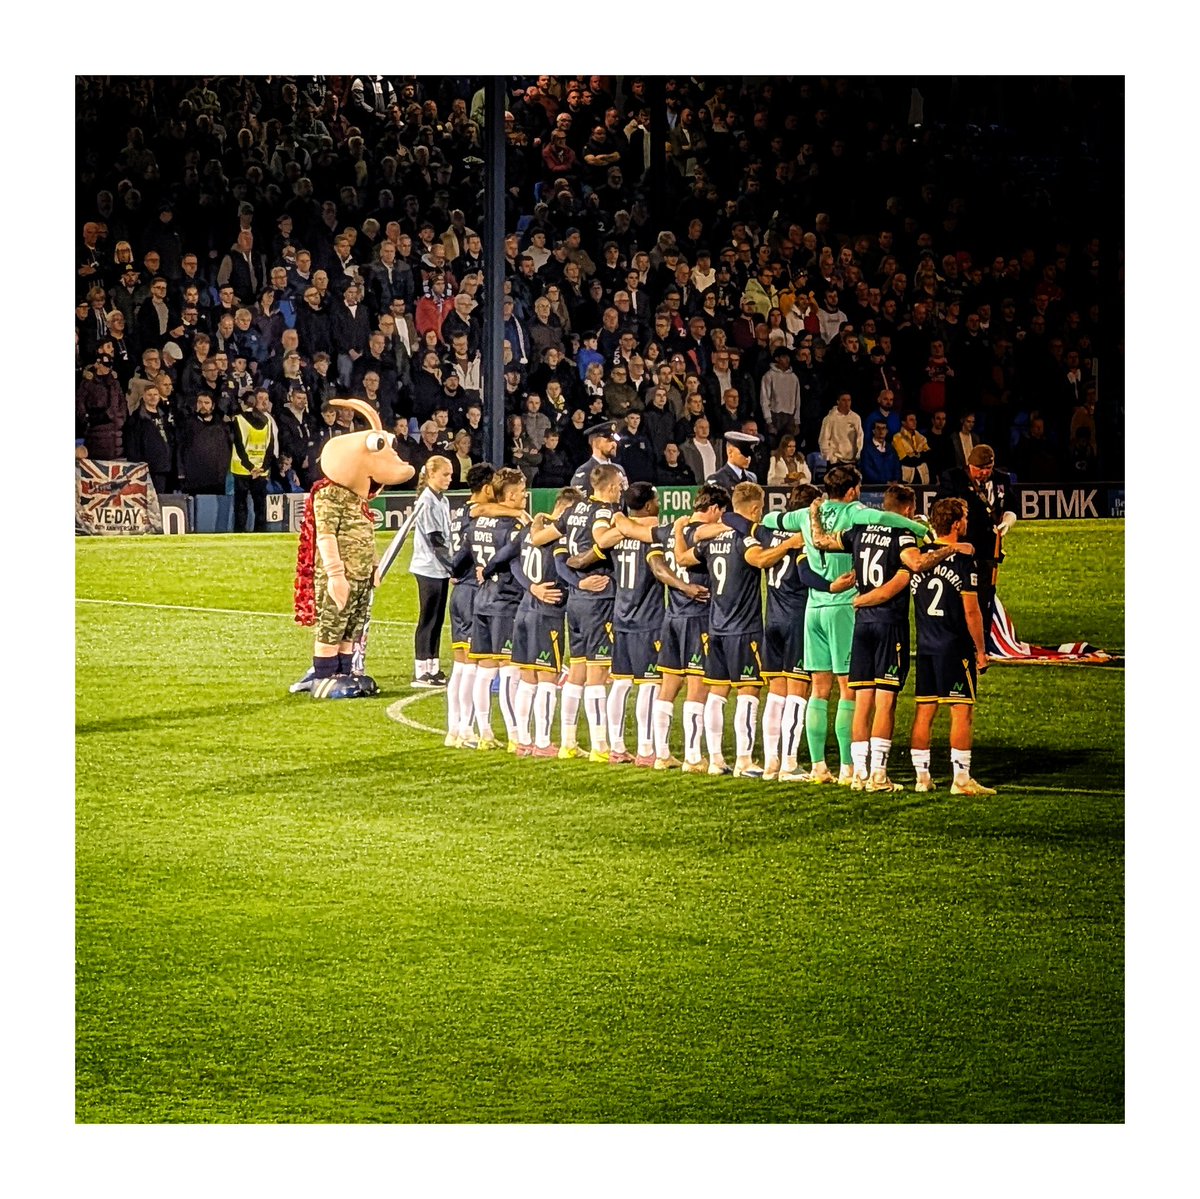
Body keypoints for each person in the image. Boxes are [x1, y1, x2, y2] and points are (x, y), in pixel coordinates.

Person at [758, 464, 929, 784]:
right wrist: (919, 529)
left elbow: (769, 520)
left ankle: (819, 766)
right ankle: (849, 767)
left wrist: (794, 527)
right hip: (844, 608)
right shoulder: (854, 512)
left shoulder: (807, 515)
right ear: (852, 490)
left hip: (813, 609)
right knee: (849, 691)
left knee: (818, 692)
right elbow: (884, 519)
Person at [806, 483, 960, 791]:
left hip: (861, 626)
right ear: (906, 510)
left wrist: (814, 514)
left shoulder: (859, 532)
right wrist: (950, 549)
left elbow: (820, 541)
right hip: (889, 624)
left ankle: (859, 774)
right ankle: (878, 774)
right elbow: (916, 563)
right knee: (885, 701)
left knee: (862, 699)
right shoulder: (903, 535)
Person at [674, 481, 806, 777]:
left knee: (717, 694)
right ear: (757, 509)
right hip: (743, 629)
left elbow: (682, 558)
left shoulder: (711, 539)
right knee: (748, 692)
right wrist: (787, 545)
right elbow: (759, 560)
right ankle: (744, 760)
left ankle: (716, 758)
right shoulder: (743, 539)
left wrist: (677, 532)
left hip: (716, 626)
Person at [573, 482, 706, 766]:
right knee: (648, 685)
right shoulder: (651, 534)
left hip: (620, 615)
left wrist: (568, 560)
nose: (659, 504)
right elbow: (659, 568)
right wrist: (685, 586)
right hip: (648, 618)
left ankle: (616, 747)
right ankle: (647, 750)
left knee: (620, 684)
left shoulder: (617, 535)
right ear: (648, 506)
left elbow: (587, 557)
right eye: (656, 500)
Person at [908, 497, 996, 795]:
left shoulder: (918, 557)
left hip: (925, 646)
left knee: (925, 710)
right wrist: (981, 650)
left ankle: (922, 777)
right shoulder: (961, 560)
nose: (967, 522)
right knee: (962, 710)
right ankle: (961, 779)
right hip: (954, 646)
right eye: (966, 518)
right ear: (957, 523)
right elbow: (971, 611)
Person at [508, 487, 584, 757]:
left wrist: (530, 587)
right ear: (566, 509)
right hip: (546, 614)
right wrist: (580, 583)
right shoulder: (555, 536)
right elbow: (562, 567)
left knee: (528, 680)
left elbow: (513, 563)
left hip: (524, 611)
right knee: (548, 678)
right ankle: (542, 742)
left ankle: (522, 741)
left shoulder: (529, 531)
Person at [467, 468, 529, 751]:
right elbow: (512, 558)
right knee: (509, 671)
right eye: (523, 492)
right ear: (512, 495)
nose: (526, 496)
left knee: (484, 670)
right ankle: (516, 734)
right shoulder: (514, 527)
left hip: (481, 600)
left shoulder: (479, 521)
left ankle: (485, 732)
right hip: (505, 602)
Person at [934, 443, 1017, 646]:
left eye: (988, 469)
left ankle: (983, 636)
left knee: (986, 592)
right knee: (959, 591)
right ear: (970, 465)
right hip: (962, 546)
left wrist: (1007, 522)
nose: (984, 473)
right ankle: (958, 634)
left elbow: (1012, 507)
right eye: (980, 469)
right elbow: (939, 508)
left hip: (989, 546)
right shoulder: (953, 478)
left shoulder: (1001, 479)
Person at [443, 463, 495, 747]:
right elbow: (466, 550)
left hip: (460, 593)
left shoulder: (459, 511)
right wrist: (460, 568)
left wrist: (453, 572)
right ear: (486, 488)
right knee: (474, 667)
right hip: (475, 591)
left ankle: (454, 729)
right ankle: (466, 729)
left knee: (461, 667)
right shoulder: (478, 516)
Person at [408, 455, 456, 689]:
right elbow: (435, 540)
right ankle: (421, 669)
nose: (449, 479)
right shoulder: (426, 501)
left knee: (437, 619)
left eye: (450, 475)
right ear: (432, 475)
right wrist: (453, 568)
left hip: (439, 568)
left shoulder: (442, 500)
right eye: (445, 474)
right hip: (428, 567)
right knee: (427, 618)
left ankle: (434, 667)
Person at [229, 394, 277, 532]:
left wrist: (256, 467)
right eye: (259, 400)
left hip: (250, 470)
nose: (264, 402)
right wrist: (257, 468)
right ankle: (251, 532)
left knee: (250, 505)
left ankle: (250, 531)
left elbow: (268, 446)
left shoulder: (263, 420)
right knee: (251, 505)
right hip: (252, 470)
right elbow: (269, 446)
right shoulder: (260, 420)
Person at [123, 384, 176, 494]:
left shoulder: (164, 416)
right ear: (143, 397)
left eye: (155, 394)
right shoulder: (136, 419)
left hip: (166, 468)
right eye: (149, 395)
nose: (153, 397)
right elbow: (132, 446)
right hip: (148, 469)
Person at [177, 392, 230, 496]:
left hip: (217, 479)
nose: (203, 406)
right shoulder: (187, 424)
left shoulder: (222, 426)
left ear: (213, 406)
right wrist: (181, 472)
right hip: (194, 478)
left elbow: (227, 451)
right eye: (200, 402)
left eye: (207, 403)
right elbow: (180, 449)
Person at [569, 420, 629, 492]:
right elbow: (580, 501)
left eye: (615, 441)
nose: (614, 444)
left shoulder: (619, 469)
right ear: (595, 442)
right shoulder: (585, 471)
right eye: (609, 440)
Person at [818, 392, 863, 468]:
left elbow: (860, 437)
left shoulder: (856, 418)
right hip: (836, 462)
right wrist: (831, 459)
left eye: (849, 400)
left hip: (852, 461)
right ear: (838, 401)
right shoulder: (830, 418)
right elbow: (823, 440)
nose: (847, 403)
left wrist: (858, 455)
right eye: (844, 400)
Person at [893, 412, 932, 486]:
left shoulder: (920, 436)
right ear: (903, 422)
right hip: (907, 477)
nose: (915, 422)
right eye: (911, 420)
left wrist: (914, 455)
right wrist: (920, 456)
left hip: (922, 476)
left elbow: (928, 455)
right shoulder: (897, 438)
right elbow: (905, 460)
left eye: (915, 420)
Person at [859, 419, 902, 485]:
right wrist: (884, 482)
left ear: (887, 431)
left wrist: (896, 480)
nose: (881, 431)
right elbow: (867, 471)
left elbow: (897, 467)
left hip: (892, 487)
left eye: (883, 428)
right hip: (873, 489)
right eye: (878, 428)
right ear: (873, 431)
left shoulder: (891, 449)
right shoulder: (867, 450)